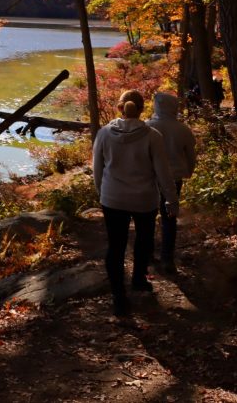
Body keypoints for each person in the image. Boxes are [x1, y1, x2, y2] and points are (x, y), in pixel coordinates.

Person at [93, 90, 178, 317]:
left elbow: (97, 168)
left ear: (120, 108)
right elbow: (163, 172)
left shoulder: (104, 134)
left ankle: (118, 296)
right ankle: (139, 279)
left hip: (113, 197)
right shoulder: (152, 136)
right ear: (142, 109)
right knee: (143, 240)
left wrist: (103, 192)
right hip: (144, 199)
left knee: (116, 246)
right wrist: (171, 198)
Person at [146, 92, 196, 275]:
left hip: (151, 178)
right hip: (174, 178)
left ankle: (148, 254)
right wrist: (188, 172)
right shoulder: (182, 129)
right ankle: (167, 258)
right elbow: (191, 156)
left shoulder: (148, 127)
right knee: (169, 217)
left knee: (149, 216)